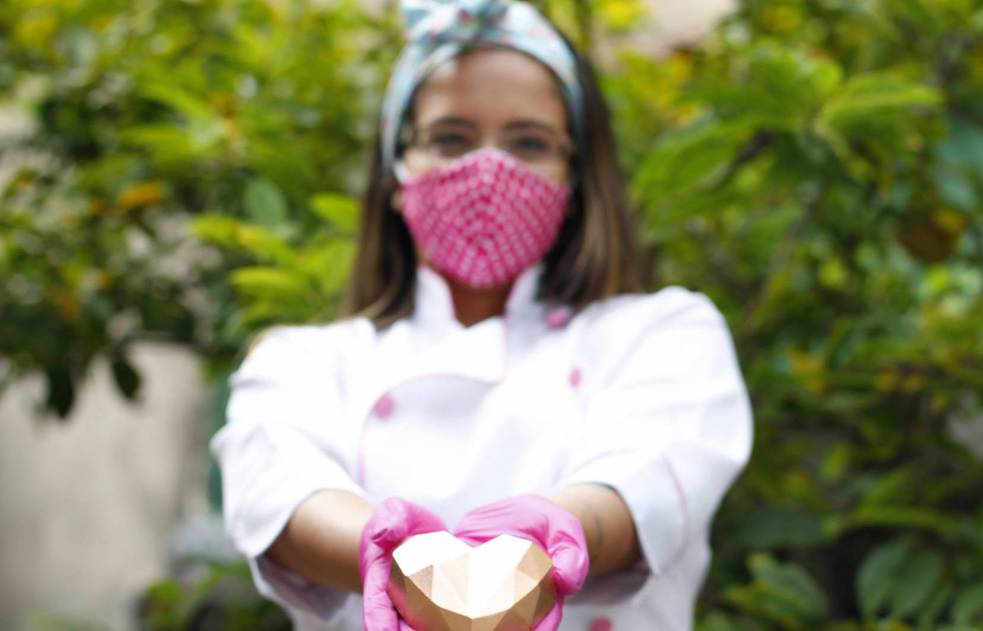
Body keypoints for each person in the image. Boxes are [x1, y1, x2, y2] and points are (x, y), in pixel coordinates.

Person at [209, 1, 753, 629]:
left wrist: (544, 546)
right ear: (396, 168)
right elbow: (277, 494)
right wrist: (398, 562)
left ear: (574, 176)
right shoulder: (303, 363)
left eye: (529, 142)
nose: (488, 169)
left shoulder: (664, 335)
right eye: (450, 138)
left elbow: (653, 482)